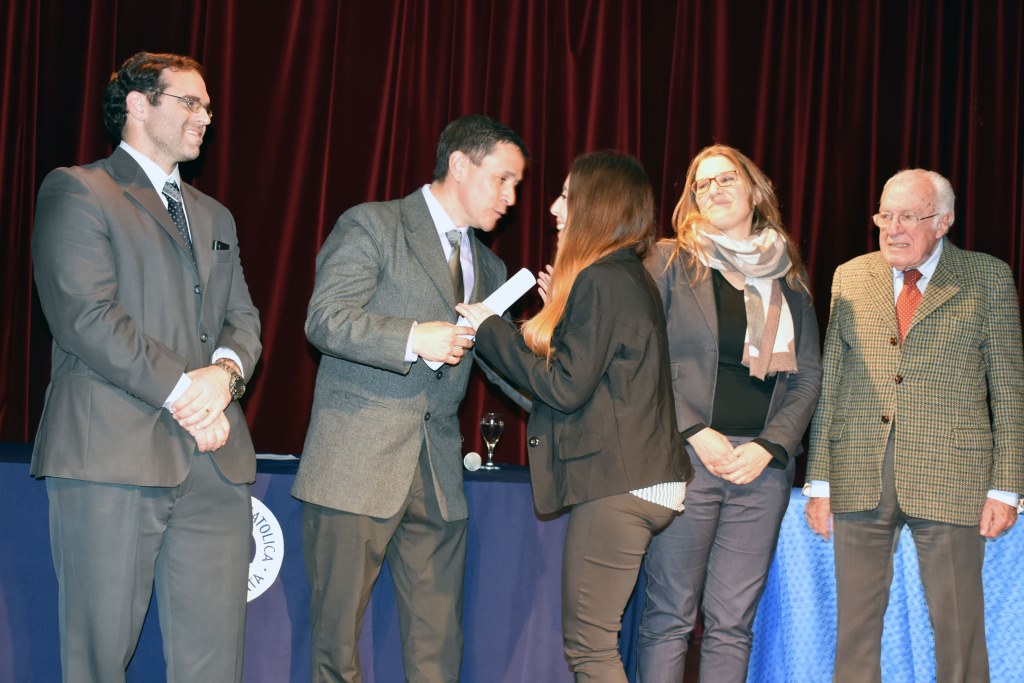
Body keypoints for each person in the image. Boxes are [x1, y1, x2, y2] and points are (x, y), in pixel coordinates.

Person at [30, 52, 262, 682]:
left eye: (209, 107)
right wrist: (190, 393)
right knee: (99, 658)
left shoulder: (216, 215)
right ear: (137, 105)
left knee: (213, 663)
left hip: (216, 464)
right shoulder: (78, 190)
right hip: (111, 453)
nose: (206, 118)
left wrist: (225, 377)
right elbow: (87, 317)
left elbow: (244, 320)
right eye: (191, 102)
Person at [293, 114, 528, 683]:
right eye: (503, 179)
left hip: (439, 473)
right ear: (460, 164)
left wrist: (548, 340)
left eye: (516, 185)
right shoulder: (374, 225)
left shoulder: (492, 267)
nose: (512, 197)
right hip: (356, 461)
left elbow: (504, 372)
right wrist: (411, 336)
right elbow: (324, 319)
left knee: (438, 649)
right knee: (335, 646)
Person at [457, 151, 693, 683]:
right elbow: (586, 386)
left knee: (589, 649)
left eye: (566, 196)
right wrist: (550, 320)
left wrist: (492, 327)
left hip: (622, 484)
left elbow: (563, 388)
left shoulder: (605, 280)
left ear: (595, 205)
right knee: (595, 644)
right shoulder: (620, 278)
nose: (552, 208)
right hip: (639, 482)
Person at [804, 168, 1024, 682]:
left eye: (908, 217)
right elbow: (831, 381)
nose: (892, 229)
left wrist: (1006, 486)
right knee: (854, 633)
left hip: (953, 479)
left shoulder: (986, 278)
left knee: (958, 632)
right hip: (859, 471)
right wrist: (819, 480)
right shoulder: (850, 276)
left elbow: (1009, 390)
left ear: (943, 221)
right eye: (885, 216)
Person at [636, 145, 822, 682]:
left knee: (732, 624)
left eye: (725, 179)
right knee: (670, 615)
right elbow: (646, 356)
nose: (713, 190)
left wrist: (768, 447)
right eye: (701, 183)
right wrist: (695, 430)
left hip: (760, 471)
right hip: (686, 459)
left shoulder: (789, 279)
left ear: (753, 190)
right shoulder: (670, 261)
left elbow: (807, 376)